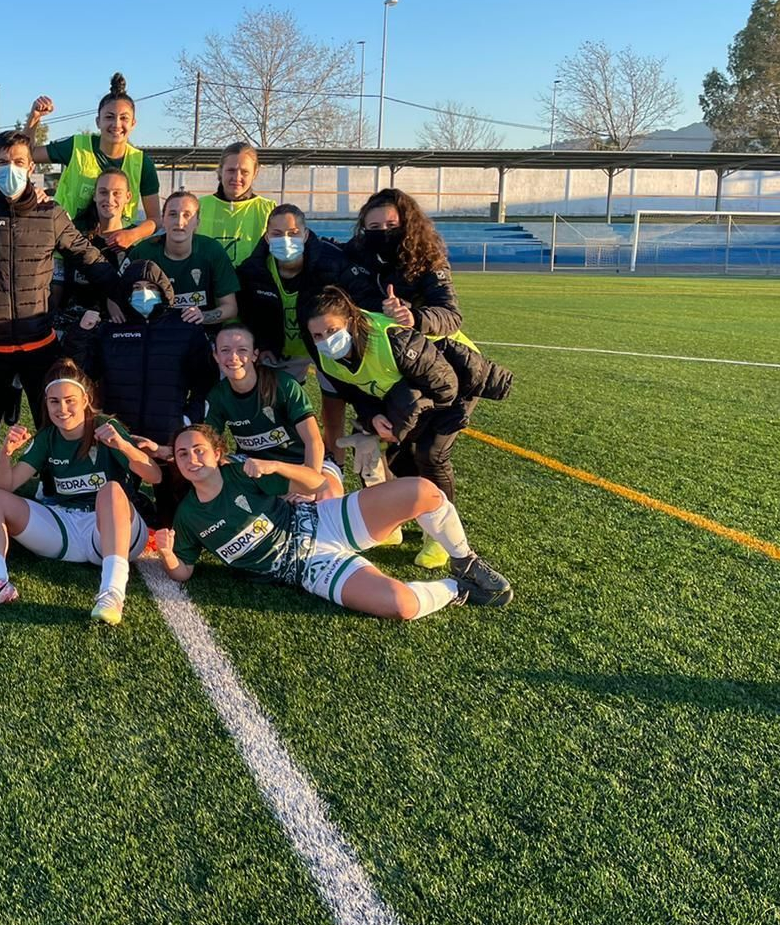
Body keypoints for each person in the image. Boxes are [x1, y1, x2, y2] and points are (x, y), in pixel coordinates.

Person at [156, 424, 513, 617]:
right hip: (310, 568)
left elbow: (315, 484)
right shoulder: (188, 515)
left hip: (322, 520)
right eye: (183, 454)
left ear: (217, 453)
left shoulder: (242, 474)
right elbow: (183, 572)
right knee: (401, 605)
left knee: (423, 491)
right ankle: (458, 589)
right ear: (177, 464)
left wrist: (276, 466)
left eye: (199, 449)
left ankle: (465, 562)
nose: (192, 458)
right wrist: (169, 555)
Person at [305, 286, 513, 567]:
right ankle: (392, 519)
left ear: (351, 321)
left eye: (332, 331)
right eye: (318, 336)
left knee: (431, 453)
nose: (326, 341)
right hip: (407, 391)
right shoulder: (327, 360)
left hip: (456, 381)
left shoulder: (393, 339)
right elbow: (355, 393)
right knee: (375, 444)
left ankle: (439, 536)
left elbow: (446, 386)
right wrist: (372, 418)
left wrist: (402, 426)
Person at [0, 129, 122, 430]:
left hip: (39, 344)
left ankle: (44, 466)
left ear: (31, 167)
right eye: (3, 162)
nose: (11, 169)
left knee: (52, 428)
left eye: (18, 162)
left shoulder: (50, 212)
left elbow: (86, 256)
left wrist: (120, 292)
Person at [0, 358, 163, 626]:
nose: (62, 409)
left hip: (111, 531)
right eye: (54, 402)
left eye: (70, 400)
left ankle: (112, 593)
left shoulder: (104, 426)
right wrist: (6, 453)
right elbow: (4, 488)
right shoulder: (48, 437)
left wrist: (124, 446)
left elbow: (155, 475)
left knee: (110, 490)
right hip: (66, 526)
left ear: (85, 400)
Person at [65, 261, 214, 529]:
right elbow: (84, 371)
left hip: (168, 436)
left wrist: (187, 420)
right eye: (136, 287)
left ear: (164, 291)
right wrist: (81, 333)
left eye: (150, 287)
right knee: (117, 510)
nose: (143, 293)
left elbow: (206, 382)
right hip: (122, 436)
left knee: (175, 518)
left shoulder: (185, 328)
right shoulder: (110, 330)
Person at [204, 323, 342, 497]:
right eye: (225, 350)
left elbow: (313, 441)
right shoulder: (217, 396)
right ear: (216, 356)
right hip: (255, 463)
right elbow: (209, 444)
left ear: (255, 354)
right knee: (217, 479)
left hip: (301, 461)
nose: (233, 357)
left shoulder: (284, 384)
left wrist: (307, 484)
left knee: (328, 494)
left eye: (242, 350)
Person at [26, 73, 160, 247]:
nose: (116, 124)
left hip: (116, 250)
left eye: (124, 118)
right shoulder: (76, 146)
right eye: (109, 117)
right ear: (98, 121)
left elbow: (155, 219)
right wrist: (34, 117)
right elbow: (27, 154)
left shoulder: (142, 163)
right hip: (66, 247)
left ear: (133, 123)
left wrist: (132, 235)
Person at [235, 203, 352, 384]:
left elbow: (356, 297)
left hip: (326, 343)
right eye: (277, 234)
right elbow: (248, 313)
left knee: (334, 396)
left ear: (305, 235)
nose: (286, 240)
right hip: (283, 352)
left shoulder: (333, 261)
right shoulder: (253, 270)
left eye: (293, 233)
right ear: (267, 237)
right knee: (282, 397)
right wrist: (263, 345)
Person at [342, 187, 467, 342]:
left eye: (391, 225)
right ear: (364, 229)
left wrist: (413, 316)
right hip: (374, 345)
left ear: (407, 226)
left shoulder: (428, 260)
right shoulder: (357, 252)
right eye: (374, 227)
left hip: (424, 348)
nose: (383, 231)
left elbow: (451, 316)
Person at [128, 189, 239, 326]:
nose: (179, 222)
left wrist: (202, 316)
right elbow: (115, 297)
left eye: (187, 215)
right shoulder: (143, 252)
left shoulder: (212, 251)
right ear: (163, 220)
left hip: (199, 332)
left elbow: (230, 308)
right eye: (172, 214)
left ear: (197, 222)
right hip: (154, 330)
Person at [51, 168, 136, 329]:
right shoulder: (74, 236)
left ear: (128, 197)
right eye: (103, 192)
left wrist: (114, 297)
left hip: (116, 329)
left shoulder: (137, 241)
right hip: (72, 326)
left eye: (117, 193)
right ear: (95, 196)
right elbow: (57, 282)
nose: (109, 199)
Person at [198, 141, 275, 266]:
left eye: (244, 172)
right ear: (220, 171)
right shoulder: (199, 207)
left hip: (254, 279)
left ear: (255, 173)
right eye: (231, 170)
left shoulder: (269, 209)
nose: (237, 177)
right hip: (207, 279)